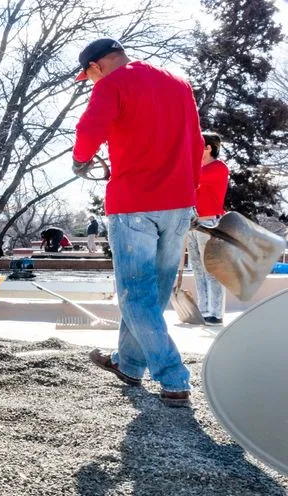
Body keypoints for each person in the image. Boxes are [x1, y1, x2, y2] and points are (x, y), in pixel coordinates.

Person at [72, 37, 204, 408]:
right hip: (178, 202)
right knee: (153, 295)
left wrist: (80, 159)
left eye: (90, 76)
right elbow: (195, 142)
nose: (92, 82)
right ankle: (129, 364)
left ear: (97, 67)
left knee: (134, 295)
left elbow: (88, 131)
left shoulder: (113, 84)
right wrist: (189, 193)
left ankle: (174, 376)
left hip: (134, 204)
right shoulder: (178, 82)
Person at [187, 131, 229, 326]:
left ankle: (216, 312)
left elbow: (192, 180)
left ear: (208, 148)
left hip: (210, 223)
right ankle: (203, 310)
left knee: (212, 269)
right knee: (197, 268)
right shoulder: (197, 168)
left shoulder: (218, 168)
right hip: (193, 224)